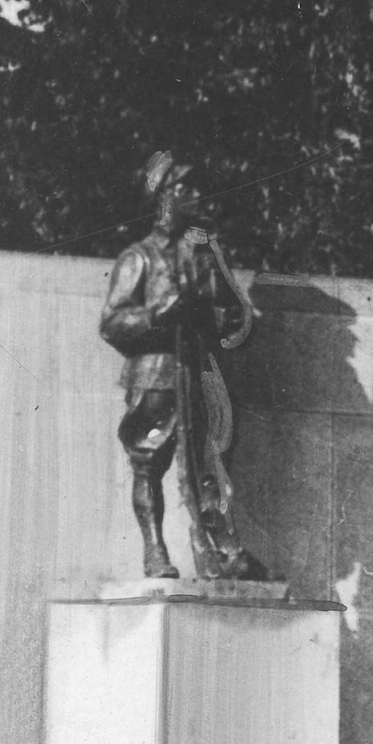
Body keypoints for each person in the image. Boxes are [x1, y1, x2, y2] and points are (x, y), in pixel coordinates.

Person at [99, 150, 266, 581]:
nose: (197, 197)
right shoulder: (139, 258)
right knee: (149, 461)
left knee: (210, 466)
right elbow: (113, 321)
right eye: (186, 188)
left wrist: (235, 322)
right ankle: (155, 550)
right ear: (164, 195)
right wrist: (158, 315)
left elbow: (240, 318)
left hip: (204, 372)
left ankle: (219, 549)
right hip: (157, 374)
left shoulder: (208, 256)